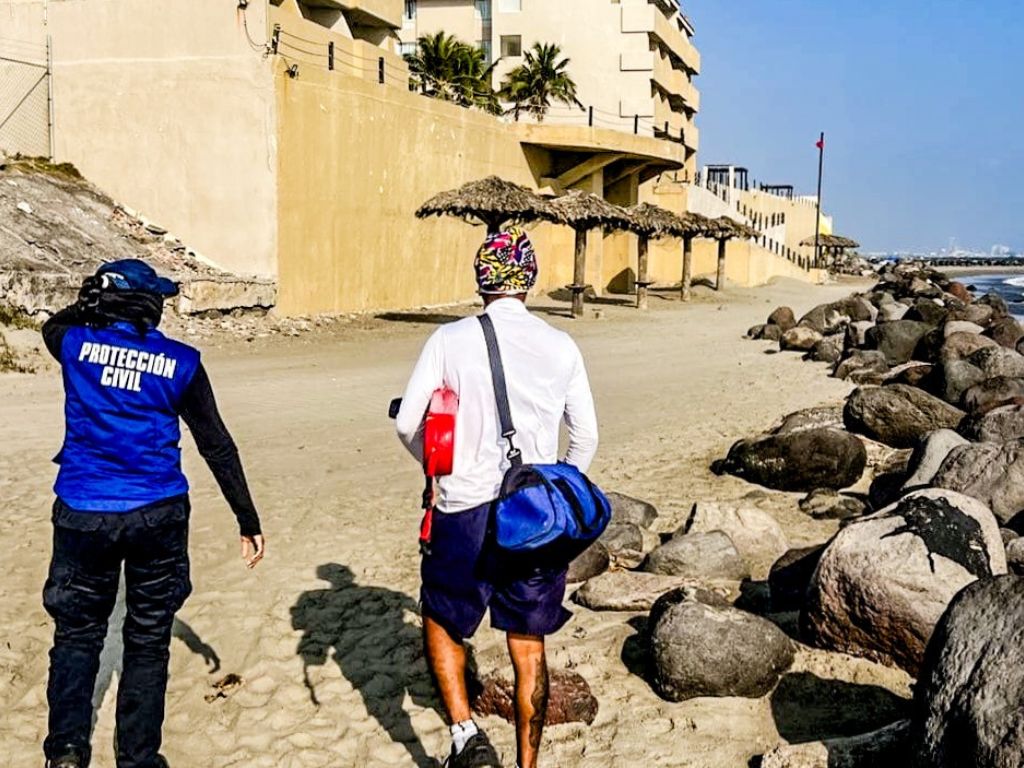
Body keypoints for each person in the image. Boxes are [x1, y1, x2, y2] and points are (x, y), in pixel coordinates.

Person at [40, 259, 266, 768]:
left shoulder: (75, 346)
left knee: (77, 635)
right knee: (147, 638)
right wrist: (246, 519)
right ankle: (138, 758)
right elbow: (216, 445)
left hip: (82, 511)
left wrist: (91, 303)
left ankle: (67, 753)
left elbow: (52, 324)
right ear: (149, 306)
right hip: (158, 515)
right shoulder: (181, 362)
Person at [395, 228, 599, 768]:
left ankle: (465, 735)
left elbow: (407, 423)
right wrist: (553, 488)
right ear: (529, 279)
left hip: (463, 506)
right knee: (529, 646)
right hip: (533, 517)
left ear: (480, 279)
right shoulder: (561, 346)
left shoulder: (448, 339)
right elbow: (586, 439)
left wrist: (439, 467)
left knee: (441, 617)